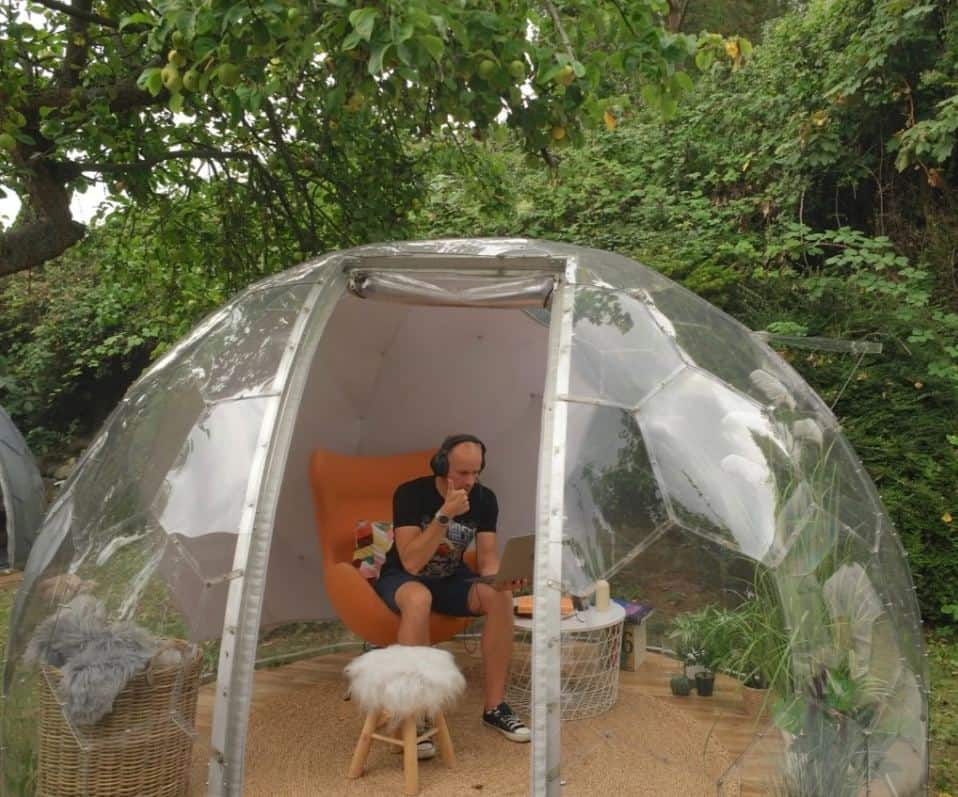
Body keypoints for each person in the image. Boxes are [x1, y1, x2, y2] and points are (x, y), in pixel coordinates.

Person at [374, 433, 530, 753]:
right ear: (442, 466)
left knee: (500, 597)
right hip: (401, 576)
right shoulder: (410, 494)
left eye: (476, 472)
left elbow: (487, 557)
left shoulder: (485, 499)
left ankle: (494, 707)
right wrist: (444, 514)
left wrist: (500, 580)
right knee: (419, 599)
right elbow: (413, 562)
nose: (470, 481)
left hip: (451, 579)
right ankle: (414, 714)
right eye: (463, 473)